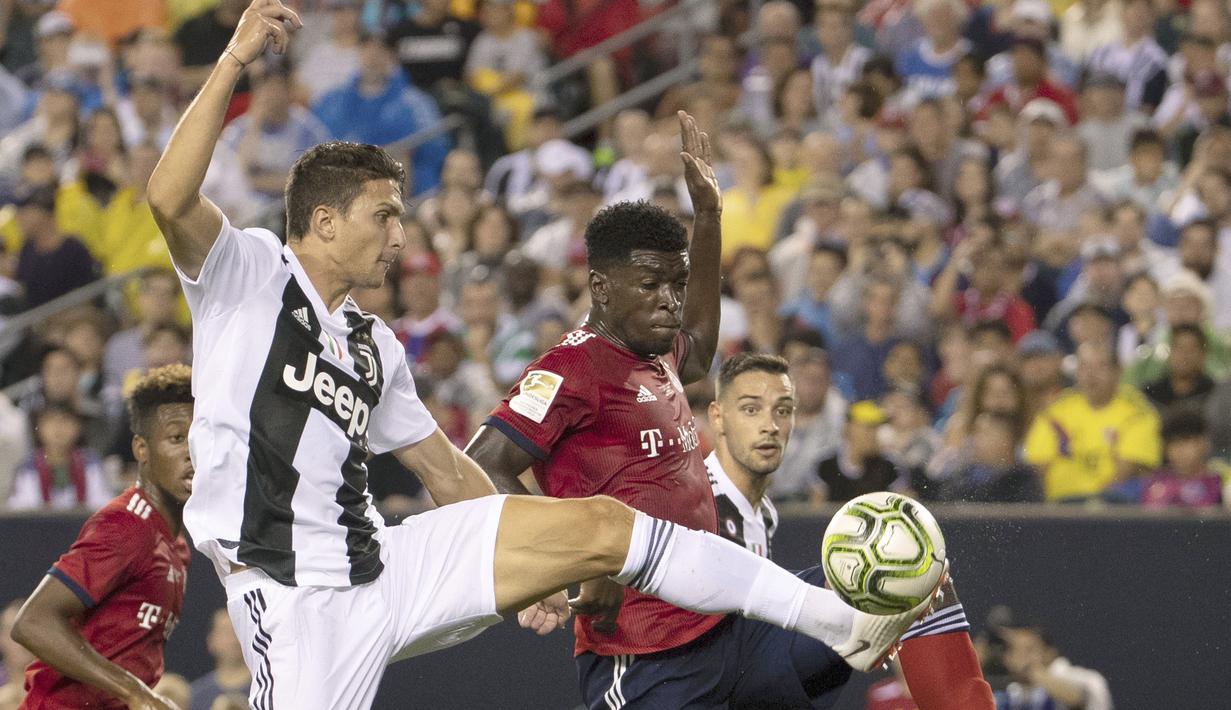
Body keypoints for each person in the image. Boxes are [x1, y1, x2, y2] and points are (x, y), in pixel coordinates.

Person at [145, 5, 936, 707]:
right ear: (322, 221)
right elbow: (168, 197)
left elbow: (448, 472)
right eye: (383, 215)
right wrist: (235, 60)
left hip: (383, 562)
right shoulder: (246, 273)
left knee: (600, 527)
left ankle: (832, 619)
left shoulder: (371, 343)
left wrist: (537, 561)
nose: (399, 235)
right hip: (292, 597)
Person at [9, 365, 194, 710]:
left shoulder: (177, 544)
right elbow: (32, 621)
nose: (191, 452)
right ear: (141, 449)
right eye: (176, 438)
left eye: (198, 438)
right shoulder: (126, 526)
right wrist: (137, 693)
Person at [1024, 342, 1161, 502]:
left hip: (1111, 506)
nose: (1091, 374)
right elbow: (1038, 466)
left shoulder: (1137, 412)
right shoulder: (1055, 412)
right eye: (1084, 366)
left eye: (1100, 366)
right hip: (1059, 506)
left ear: (1117, 371)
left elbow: (1127, 471)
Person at [187, 610, 250, 710]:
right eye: (226, 632)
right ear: (211, 641)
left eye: (238, 630)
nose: (233, 639)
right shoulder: (194, 697)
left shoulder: (268, 688)